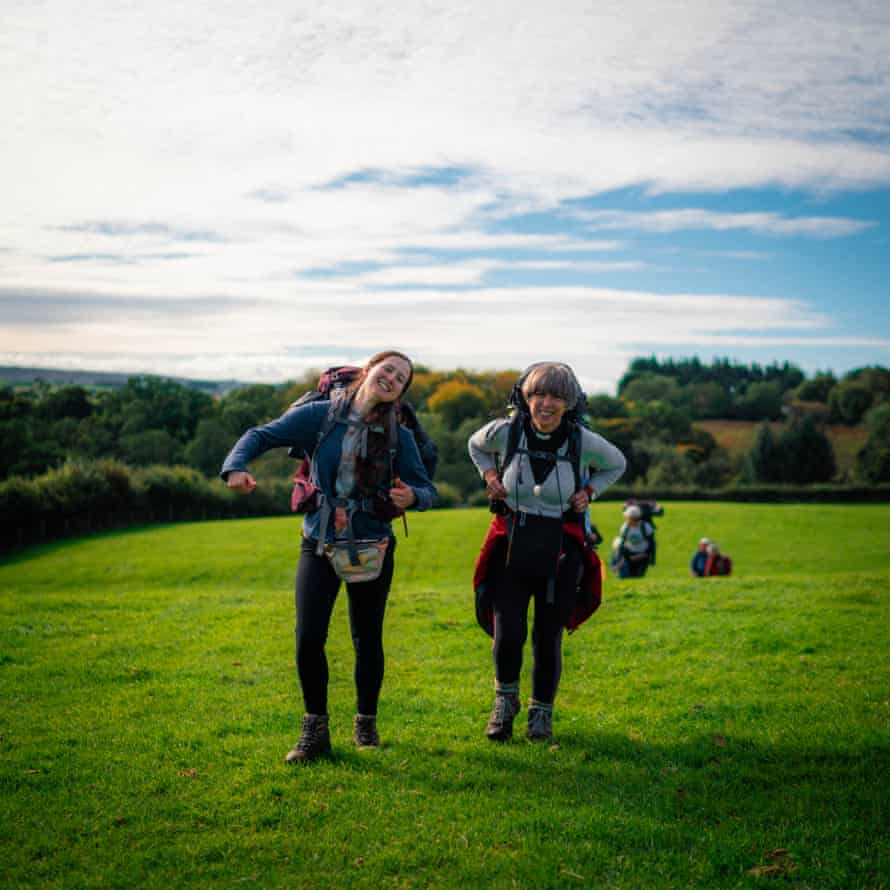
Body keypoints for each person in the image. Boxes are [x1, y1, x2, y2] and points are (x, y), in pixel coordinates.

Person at [221, 350, 436, 763]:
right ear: (369, 369)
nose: (391, 378)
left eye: (401, 378)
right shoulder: (321, 415)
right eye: (387, 369)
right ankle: (314, 731)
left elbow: (427, 488)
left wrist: (414, 496)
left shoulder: (400, 436)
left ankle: (365, 723)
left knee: (366, 637)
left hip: (371, 545)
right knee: (308, 637)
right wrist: (237, 465)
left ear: (401, 392)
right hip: (317, 541)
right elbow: (259, 434)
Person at [468, 362, 626, 743]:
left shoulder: (582, 441)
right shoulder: (506, 431)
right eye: (539, 394)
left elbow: (617, 464)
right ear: (526, 397)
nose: (546, 403)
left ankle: (542, 713)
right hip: (511, 541)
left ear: (570, 403)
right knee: (508, 632)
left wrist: (588, 494)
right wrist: (490, 477)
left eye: (557, 396)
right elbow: (476, 445)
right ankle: (505, 705)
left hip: (561, 549)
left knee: (547, 635)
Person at [611, 504, 655, 578]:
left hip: (642, 556)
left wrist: (652, 558)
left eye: (628, 517)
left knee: (638, 576)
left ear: (633, 518)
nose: (626, 519)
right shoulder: (625, 527)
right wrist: (619, 559)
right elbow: (622, 543)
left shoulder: (646, 527)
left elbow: (652, 543)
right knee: (627, 576)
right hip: (629, 555)